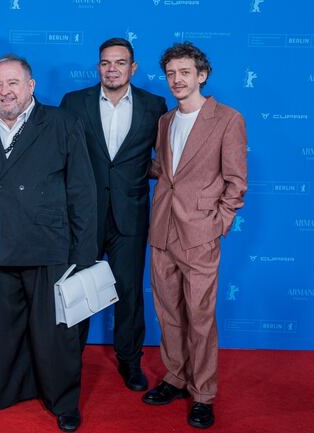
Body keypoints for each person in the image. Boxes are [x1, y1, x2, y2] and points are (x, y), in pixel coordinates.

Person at [0, 56, 96, 432]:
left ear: (31, 86)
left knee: (56, 334)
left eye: (13, 83)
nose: (5, 91)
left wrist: (83, 255)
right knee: (0, 331)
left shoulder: (61, 124)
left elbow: (82, 192)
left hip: (49, 245)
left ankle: (63, 400)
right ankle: (8, 390)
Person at [143, 42, 247, 430]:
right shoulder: (166, 121)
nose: (176, 80)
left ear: (201, 75)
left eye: (184, 72)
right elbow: (164, 170)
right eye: (171, 73)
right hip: (162, 230)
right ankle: (175, 377)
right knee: (169, 313)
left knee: (200, 317)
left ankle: (203, 394)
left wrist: (217, 223)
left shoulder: (228, 118)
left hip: (200, 233)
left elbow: (236, 182)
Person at [59, 37, 168, 392]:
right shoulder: (73, 103)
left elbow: (164, 161)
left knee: (129, 293)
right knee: (79, 291)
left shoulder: (155, 106)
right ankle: (68, 361)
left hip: (130, 216)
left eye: (120, 63)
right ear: (98, 67)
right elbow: (62, 157)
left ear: (133, 68)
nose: (112, 69)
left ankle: (130, 360)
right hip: (84, 217)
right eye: (106, 63)